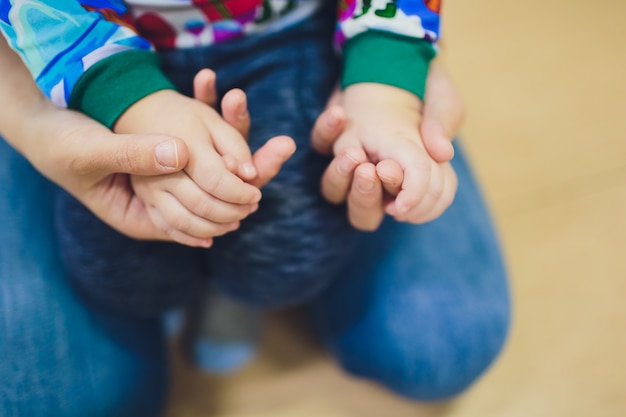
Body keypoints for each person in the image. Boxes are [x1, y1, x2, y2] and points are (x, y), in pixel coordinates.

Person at [0, 3, 510, 417]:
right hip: (84, 46)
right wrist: (118, 99)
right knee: (115, 276)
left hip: (295, 32)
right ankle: (191, 285)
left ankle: (229, 287)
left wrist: (388, 80)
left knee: (297, 255)